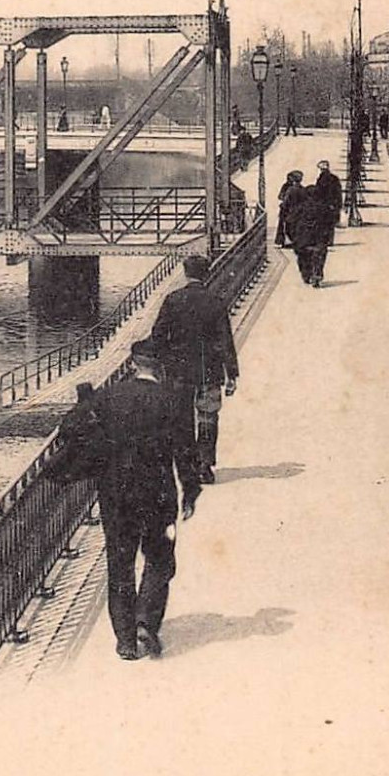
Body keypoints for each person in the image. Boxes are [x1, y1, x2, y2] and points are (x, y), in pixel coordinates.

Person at [54, 342, 201, 660]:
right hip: (159, 496)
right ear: (159, 367)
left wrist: (84, 400)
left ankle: (124, 639)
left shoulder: (109, 397)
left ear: (133, 364)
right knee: (160, 559)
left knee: (120, 566)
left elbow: (70, 427)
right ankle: (146, 621)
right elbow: (186, 449)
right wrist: (190, 489)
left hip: (117, 496)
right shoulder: (171, 400)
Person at [151, 255, 239, 484]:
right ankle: (204, 464)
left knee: (181, 418)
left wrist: (163, 362)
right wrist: (232, 374)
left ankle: (188, 465)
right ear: (207, 273)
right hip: (209, 370)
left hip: (178, 371)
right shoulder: (216, 302)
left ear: (185, 273)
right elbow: (225, 340)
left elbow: (158, 335)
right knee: (208, 417)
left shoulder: (173, 300)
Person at [291, 185, 333, 287]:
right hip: (319, 238)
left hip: (303, 239)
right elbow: (330, 223)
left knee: (303, 257)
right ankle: (316, 275)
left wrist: (294, 236)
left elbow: (291, 221)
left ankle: (306, 275)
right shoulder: (324, 207)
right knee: (319, 256)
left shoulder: (300, 207)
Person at [313, 159, 342, 244]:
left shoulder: (321, 179)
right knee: (330, 224)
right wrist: (338, 205)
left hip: (323, 204)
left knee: (323, 223)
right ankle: (330, 240)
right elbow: (338, 192)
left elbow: (318, 192)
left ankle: (324, 240)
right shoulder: (335, 178)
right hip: (332, 204)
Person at [275, 169, 304, 247]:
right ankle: (282, 241)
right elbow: (280, 196)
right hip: (293, 210)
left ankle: (288, 241)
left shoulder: (292, 189)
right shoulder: (299, 188)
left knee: (288, 226)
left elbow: (285, 200)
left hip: (289, 210)